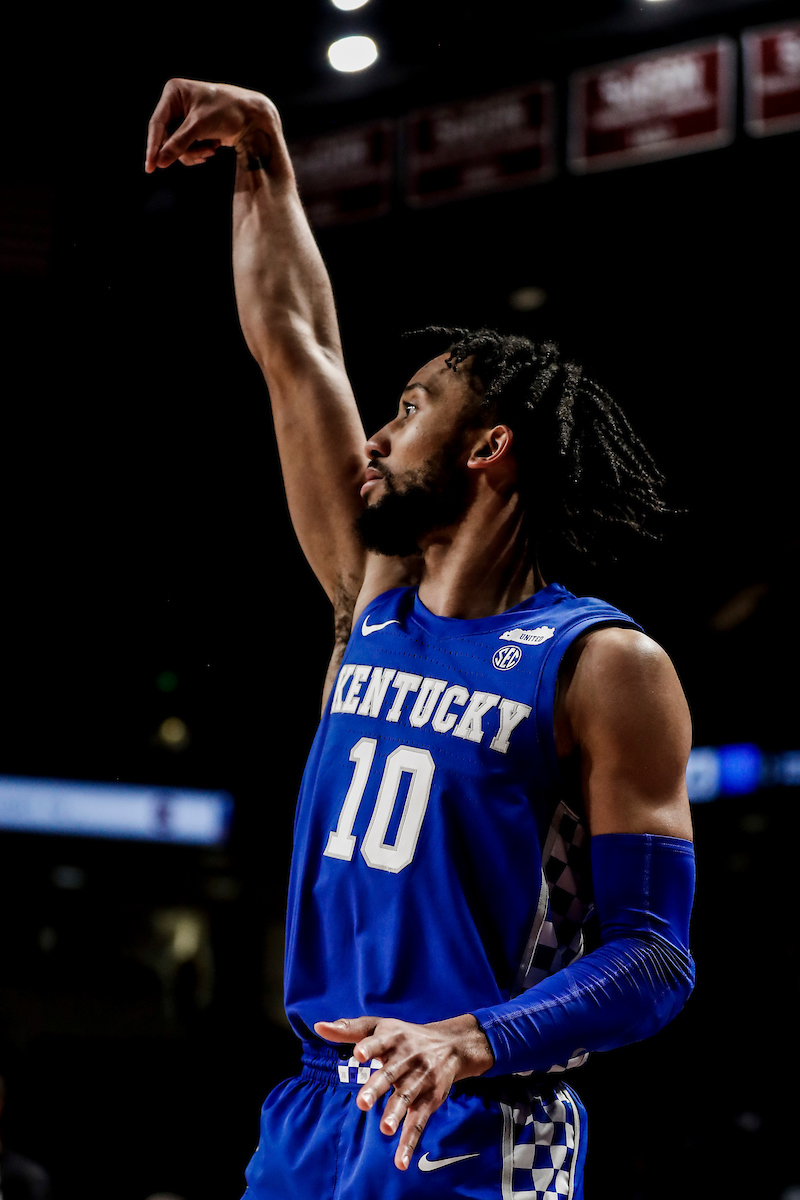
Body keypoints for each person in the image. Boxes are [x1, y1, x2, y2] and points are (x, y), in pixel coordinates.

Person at [145, 79, 696, 1200]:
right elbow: (292, 343)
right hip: (313, 1111)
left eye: (409, 408)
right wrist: (264, 156)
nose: (378, 436)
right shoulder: (370, 601)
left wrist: (475, 1038)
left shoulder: (600, 664)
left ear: (487, 447)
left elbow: (653, 953)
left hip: (478, 1118)